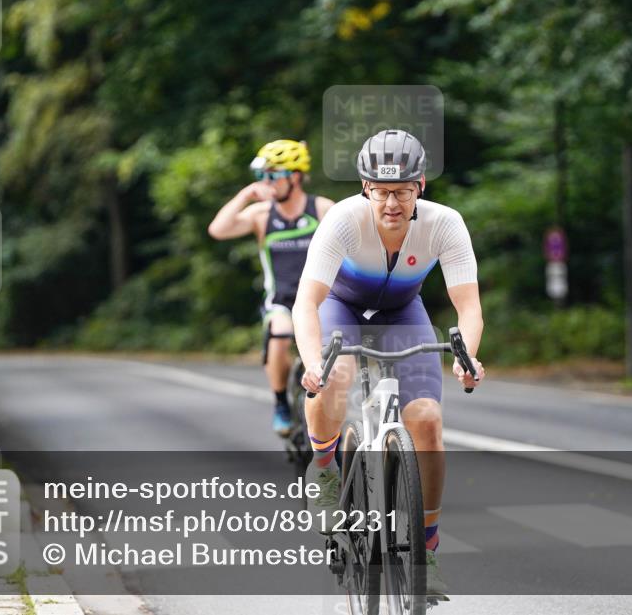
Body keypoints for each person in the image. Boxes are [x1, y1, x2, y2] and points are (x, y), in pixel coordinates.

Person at [292, 129, 485, 600]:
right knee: (333, 377)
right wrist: (312, 361)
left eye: (402, 191)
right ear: (365, 189)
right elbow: (305, 303)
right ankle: (323, 467)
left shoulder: (445, 224)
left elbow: (469, 307)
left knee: (427, 420)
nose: (391, 203)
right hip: (341, 308)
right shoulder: (341, 221)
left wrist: (468, 357)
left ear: (421, 186)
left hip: (403, 314)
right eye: (381, 192)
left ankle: (428, 546)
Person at [208, 139, 334, 436]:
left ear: (296, 176)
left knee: (333, 355)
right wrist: (246, 194)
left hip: (322, 299)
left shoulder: (322, 209)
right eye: (262, 176)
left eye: (274, 175)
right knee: (278, 335)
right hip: (282, 300)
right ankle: (280, 402)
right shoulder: (262, 215)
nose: (267, 183)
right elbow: (218, 229)